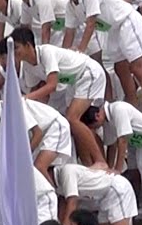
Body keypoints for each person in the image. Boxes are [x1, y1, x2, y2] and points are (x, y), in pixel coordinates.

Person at [11, 28, 108, 167]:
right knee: (73, 123)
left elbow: (52, 85)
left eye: (16, 48)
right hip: (73, 83)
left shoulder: (46, 52)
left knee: (73, 118)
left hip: (88, 73)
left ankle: (100, 161)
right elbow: (37, 92)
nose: (14, 52)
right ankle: (87, 164)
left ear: (28, 45)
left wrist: (24, 98)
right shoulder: (26, 66)